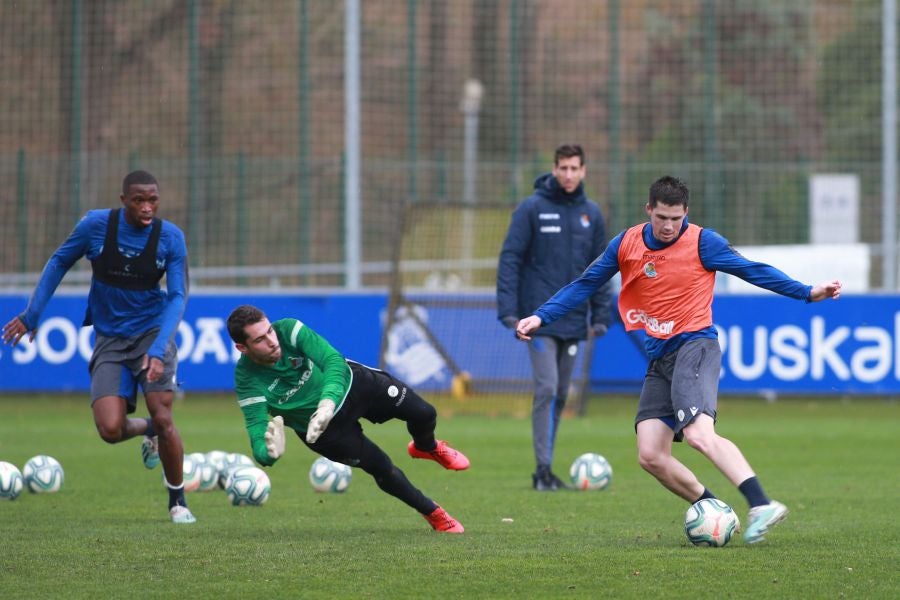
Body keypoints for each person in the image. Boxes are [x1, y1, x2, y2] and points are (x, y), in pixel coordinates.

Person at [516, 175, 842, 543]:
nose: (669, 226)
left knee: (700, 434)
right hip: (661, 358)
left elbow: (754, 270)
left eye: (676, 217)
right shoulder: (626, 243)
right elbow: (585, 284)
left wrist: (807, 292)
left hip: (696, 347)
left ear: (686, 212)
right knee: (651, 454)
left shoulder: (704, 242)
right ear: (648, 211)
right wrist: (541, 315)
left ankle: (760, 503)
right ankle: (715, 510)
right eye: (661, 218)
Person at [1, 170, 195, 524]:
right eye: (139, 200)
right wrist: (33, 313)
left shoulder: (170, 238)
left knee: (165, 414)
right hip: (110, 339)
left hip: (153, 334)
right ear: (123, 201)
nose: (148, 207)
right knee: (110, 429)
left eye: (153, 199)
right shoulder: (96, 226)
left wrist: (159, 345)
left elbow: (179, 294)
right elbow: (60, 260)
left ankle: (178, 501)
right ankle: (148, 430)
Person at [225, 304, 469, 533]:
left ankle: (426, 447)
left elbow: (333, 360)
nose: (271, 341)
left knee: (425, 413)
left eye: (269, 331)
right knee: (381, 467)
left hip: (354, 385)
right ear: (242, 348)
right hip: (324, 433)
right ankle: (434, 513)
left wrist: (327, 403)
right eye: (259, 339)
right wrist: (268, 454)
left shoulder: (288, 330)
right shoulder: (247, 379)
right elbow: (256, 431)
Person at [497, 143, 613, 491]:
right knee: (547, 387)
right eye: (562, 168)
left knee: (562, 393)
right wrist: (509, 312)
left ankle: (546, 468)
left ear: (584, 171)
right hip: (538, 320)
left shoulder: (591, 214)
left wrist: (601, 314)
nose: (568, 174)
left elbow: (603, 268)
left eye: (574, 168)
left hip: (576, 321)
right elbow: (510, 259)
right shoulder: (532, 208)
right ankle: (542, 470)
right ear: (554, 168)